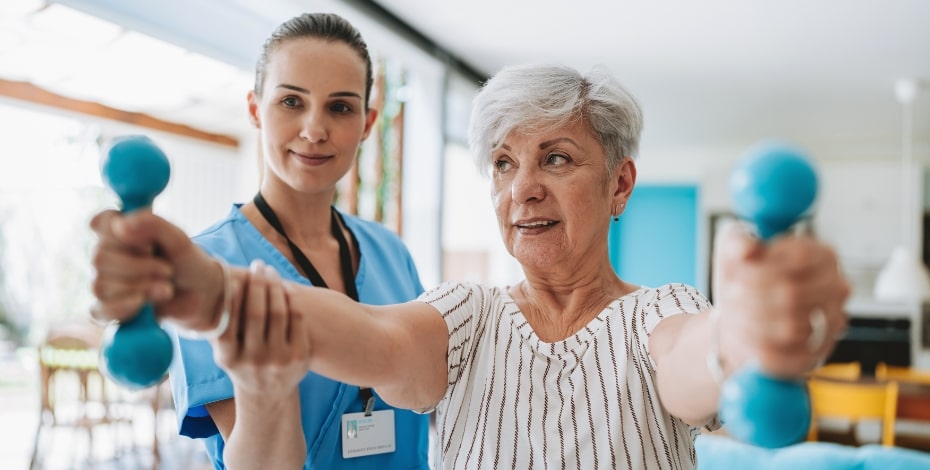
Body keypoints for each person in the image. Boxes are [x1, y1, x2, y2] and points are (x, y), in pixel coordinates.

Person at [90, 63, 850, 469]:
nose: (523, 188)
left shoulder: (660, 313)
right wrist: (206, 287)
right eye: (502, 163)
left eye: (556, 157)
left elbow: (697, 358)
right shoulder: (468, 313)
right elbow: (369, 336)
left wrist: (744, 335)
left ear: (619, 184)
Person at [92, 12, 431, 469]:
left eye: (341, 107)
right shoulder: (203, 265)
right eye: (292, 102)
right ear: (255, 109)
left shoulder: (392, 253)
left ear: (367, 123)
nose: (314, 130)